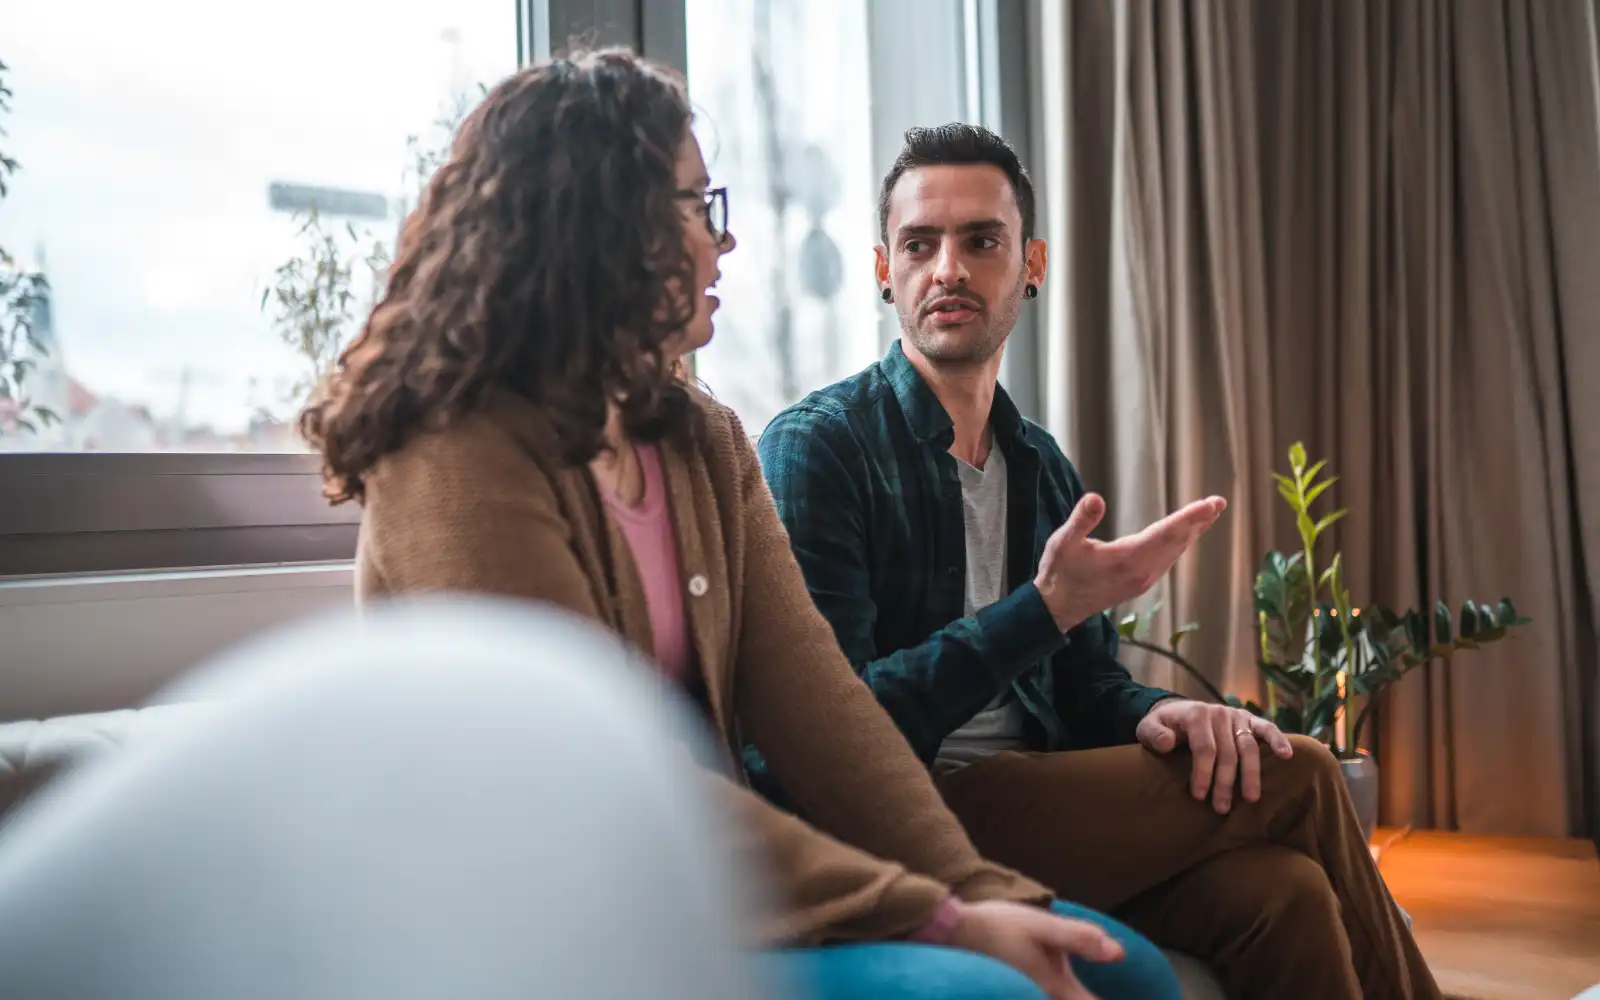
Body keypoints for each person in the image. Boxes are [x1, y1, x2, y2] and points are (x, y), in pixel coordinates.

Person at [297, 50, 1182, 1000]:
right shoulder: (456, 449)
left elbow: (825, 710)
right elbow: (597, 780)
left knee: (1117, 969)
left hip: (719, 892)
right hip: (566, 923)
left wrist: (974, 892)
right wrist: (937, 917)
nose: (724, 246)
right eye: (696, 209)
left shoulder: (701, 440)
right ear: (598, 226)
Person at [756, 123, 1443, 1000]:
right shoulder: (820, 449)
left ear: (1031, 265)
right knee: (1304, 771)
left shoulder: (1039, 466)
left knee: (1286, 894)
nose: (948, 270)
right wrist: (1033, 615)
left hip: (1034, 801)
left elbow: (1086, 693)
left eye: (982, 241)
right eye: (919, 244)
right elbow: (830, 735)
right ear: (885, 269)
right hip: (904, 813)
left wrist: (1169, 713)